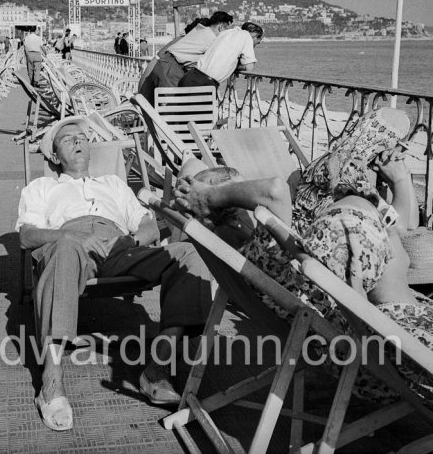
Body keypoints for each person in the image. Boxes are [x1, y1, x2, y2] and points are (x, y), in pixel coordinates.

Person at [174, 107, 433, 407]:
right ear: (235, 204)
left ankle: (352, 169)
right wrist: (209, 196)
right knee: (368, 221)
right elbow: (273, 190)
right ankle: (352, 165)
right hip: (390, 349)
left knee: (370, 223)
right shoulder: (266, 248)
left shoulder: (256, 258)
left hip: (373, 339)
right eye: (240, 190)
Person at [17, 117, 212, 431]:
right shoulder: (42, 187)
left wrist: (133, 240)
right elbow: (27, 236)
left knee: (189, 252)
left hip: (121, 246)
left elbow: (145, 223)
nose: (78, 142)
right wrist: (72, 238)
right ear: (54, 157)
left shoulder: (113, 184)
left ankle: (156, 369)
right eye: (68, 140)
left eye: (82, 137)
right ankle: (50, 384)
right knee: (65, 248)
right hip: (71, 247)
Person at [138, 12, 234, 106]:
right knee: (171, 108)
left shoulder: (201, 29)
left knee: (165, 107)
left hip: (163, 64)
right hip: (171, 69)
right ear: (221, 27)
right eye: (228, 30)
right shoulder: (212, 40)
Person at [178, 21, 263, 90]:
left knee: (182, 110)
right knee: (203, 111)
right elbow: (249, 66)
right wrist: (234, 66)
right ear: (255, 37)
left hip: (190, 76)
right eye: (257, 43)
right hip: (205, 83)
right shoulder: (246, 35)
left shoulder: (226, 33)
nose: (254, 46)